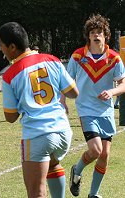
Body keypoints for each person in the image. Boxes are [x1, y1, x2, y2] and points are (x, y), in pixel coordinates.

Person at [0, 22, 79, 198]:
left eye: (1, 44)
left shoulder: (10, 74)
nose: (0, 48)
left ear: (12, 47)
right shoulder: (52, 59)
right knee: (53, 165)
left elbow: (10, 117)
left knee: (36, 192)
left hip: (37, 135)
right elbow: (73, 92)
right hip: (63, 131)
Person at [62, 14, 125, 198]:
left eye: (100, 32)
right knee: (96, 150)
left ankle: (93, 194)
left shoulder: (114, 58)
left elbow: (123, 83)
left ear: (105, 36)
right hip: (86, 109)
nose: (96, 35)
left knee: (104, 155)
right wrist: (62, 101)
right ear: (88, 36)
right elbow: (66, 81)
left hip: (105, 111)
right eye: (93, 32)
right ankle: (77, 169)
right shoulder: (78, 56)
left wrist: (112, 93)